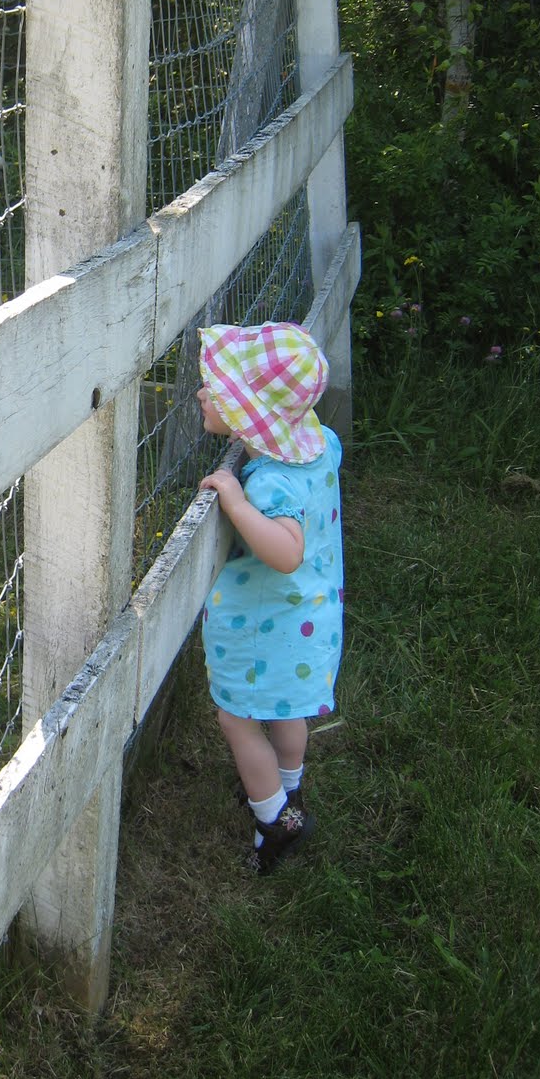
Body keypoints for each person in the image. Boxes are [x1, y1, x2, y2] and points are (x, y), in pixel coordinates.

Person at [196, 321, 343, 874]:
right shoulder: (320, 445)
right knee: (288, 708)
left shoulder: (269, 481)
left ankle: (274, 820)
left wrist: (236, 503)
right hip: (312, 617)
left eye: (215, 390)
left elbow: (284, 553)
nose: (202, 394)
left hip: (269, 628)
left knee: (237, 718)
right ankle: (289, 789)